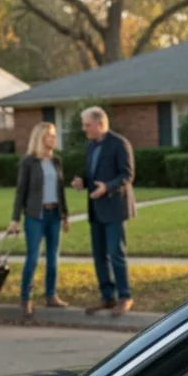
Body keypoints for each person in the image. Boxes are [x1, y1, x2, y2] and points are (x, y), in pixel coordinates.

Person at [71, 106, 136, 317]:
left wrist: (107, 187)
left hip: (115, 208)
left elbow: (127, 175)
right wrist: (83, 181)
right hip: (96, 210)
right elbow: (93, 174)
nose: (84, 129)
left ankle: (125, 297)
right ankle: (107, 297)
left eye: (87, 125)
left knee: (116, 254)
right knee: (99, 256)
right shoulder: (91, 146)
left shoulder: (119, 143)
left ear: (100, 124)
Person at [8, 122, 70, 318]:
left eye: (54, 135)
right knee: (33, 257)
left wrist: (65, 214)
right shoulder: (29, 162)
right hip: (36, 215)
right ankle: (26, 298)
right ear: (41, 138)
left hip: (54, 215)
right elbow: (21, 191)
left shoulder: (56, 161)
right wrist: (15, 219)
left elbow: (61, 191)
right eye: (50, 135)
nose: (54, 138)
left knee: (53, 258)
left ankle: (51, 295)